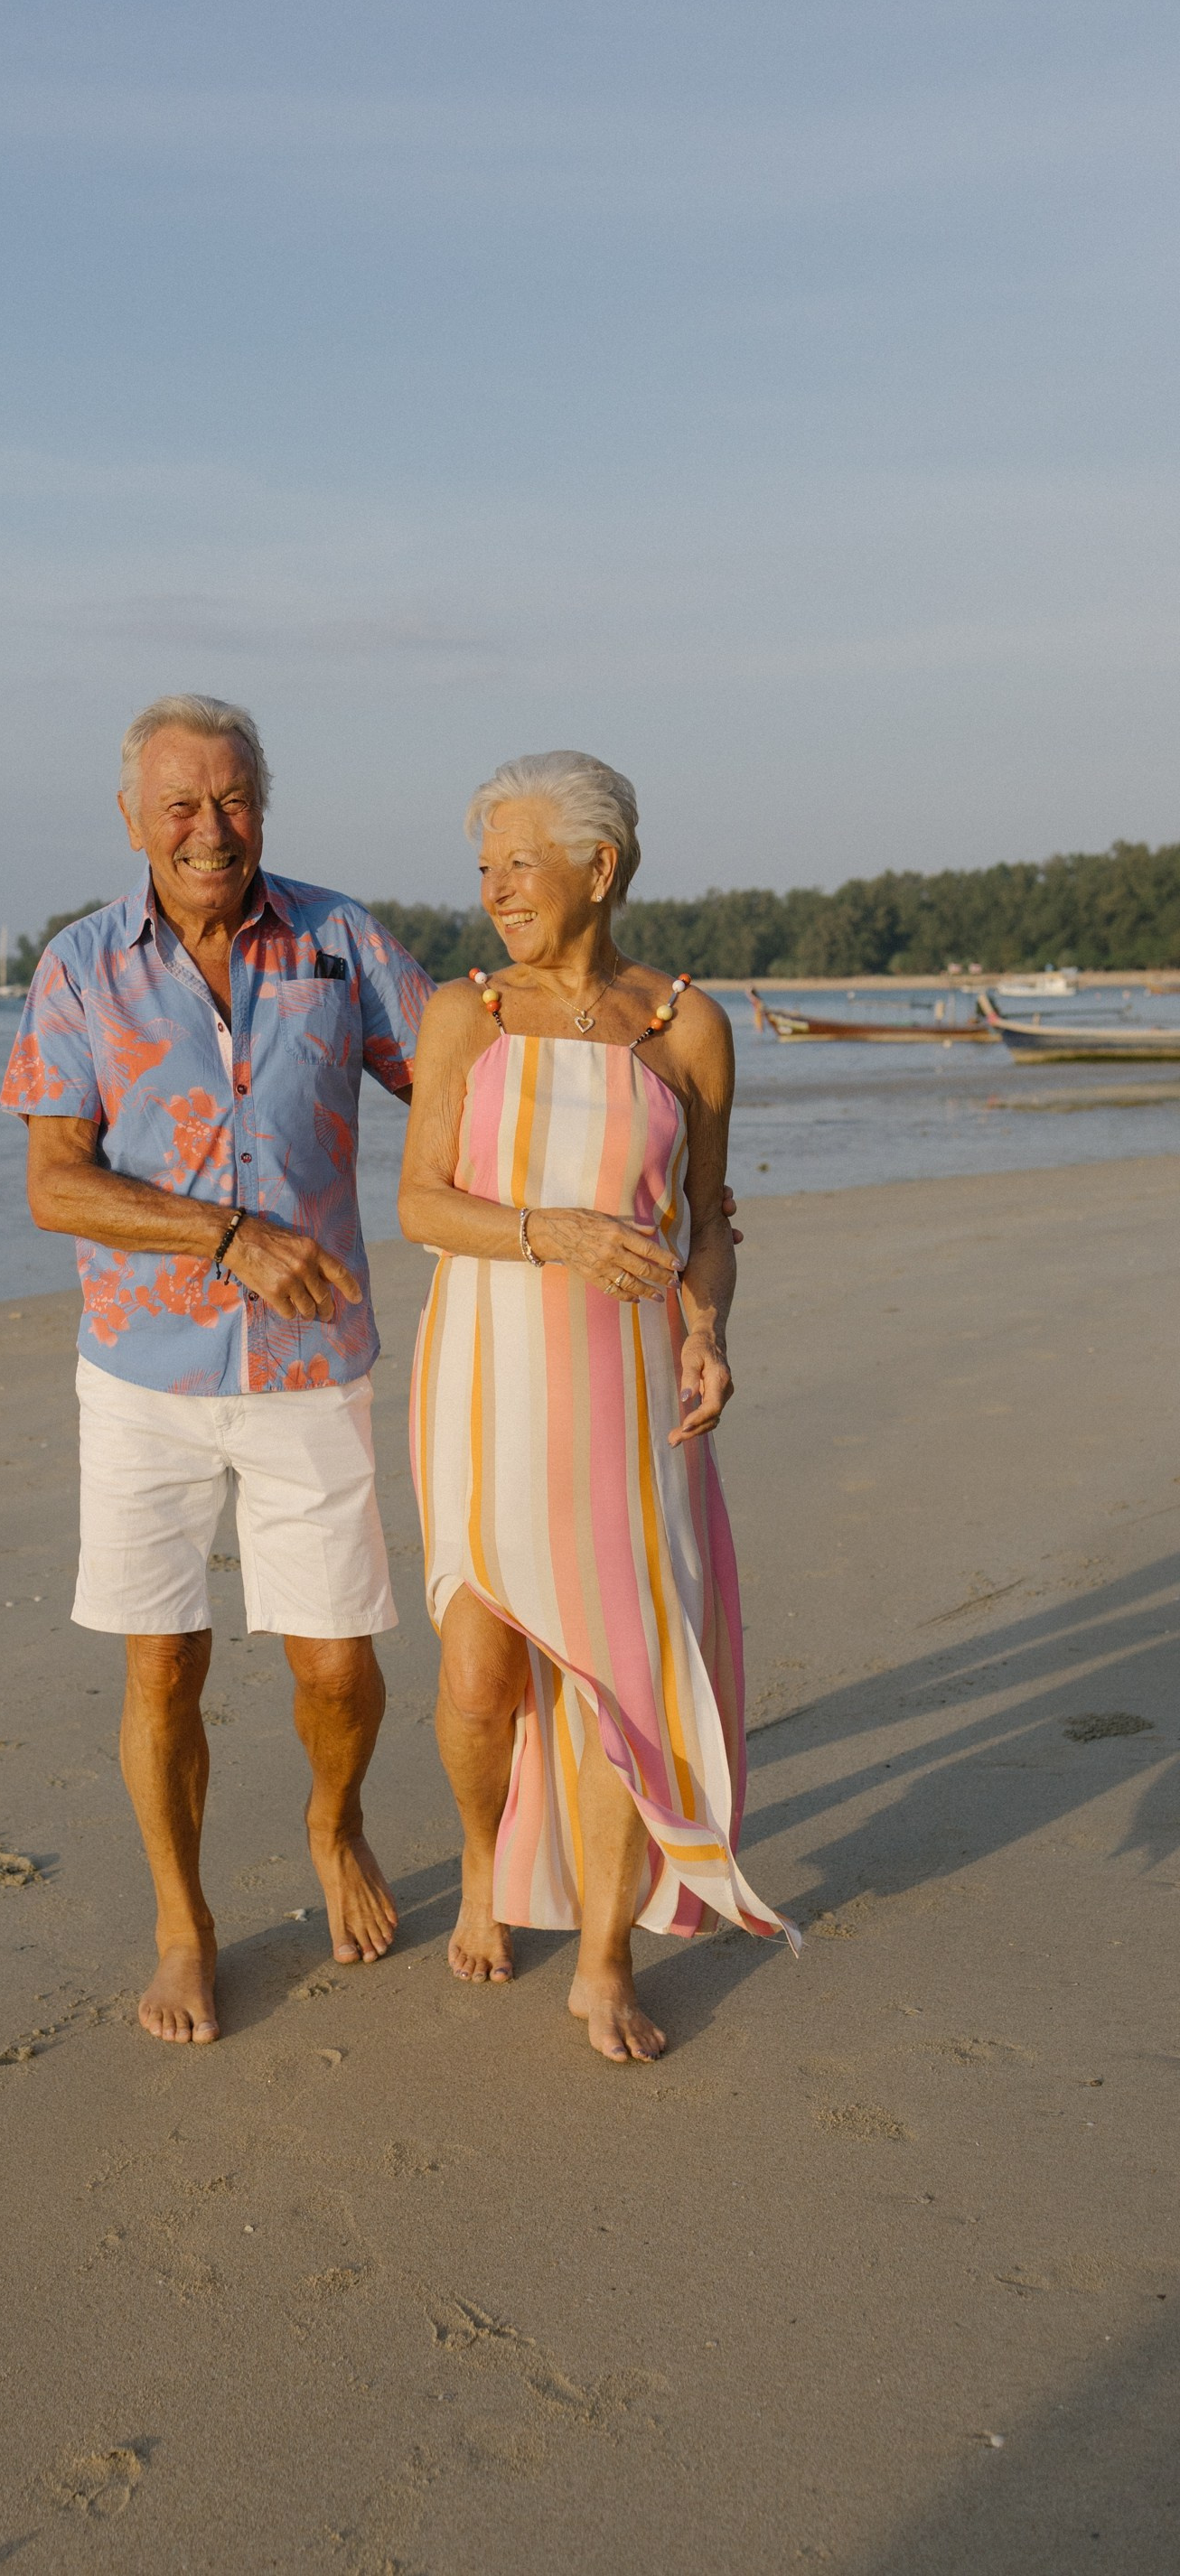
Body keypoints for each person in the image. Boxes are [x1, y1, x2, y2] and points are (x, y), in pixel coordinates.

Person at [0, 694, 435, 2046]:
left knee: (336, 1668)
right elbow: (57, 1187)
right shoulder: (80, 968)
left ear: (266, 805)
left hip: (310, 1364)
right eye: (181, 804)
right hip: (143, 1372)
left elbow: (466, 1088)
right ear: (132, 816)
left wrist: (636, 1073)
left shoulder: (337, 941)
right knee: (162, 1666)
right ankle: (183, 1922)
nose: (210, 829)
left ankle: (334, 1819)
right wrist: (229, 1236)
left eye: (233, 799)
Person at [398, 751, 796, 2065]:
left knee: (619, 1672)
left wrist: (706, 1322)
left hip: (628, 1395)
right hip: (484, 1380)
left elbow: (710, 1224)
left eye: (520, 862)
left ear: (600, 869)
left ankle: (608, 1960)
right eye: (485, 868)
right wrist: (550, 1231)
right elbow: (419, 1205)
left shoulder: (687, 1029)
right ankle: (477, 1855)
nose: (496, 889)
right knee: (478, 1670)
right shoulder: (465, 1016)